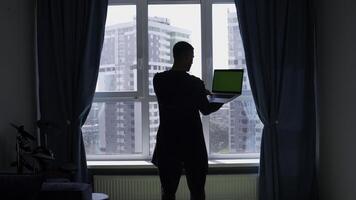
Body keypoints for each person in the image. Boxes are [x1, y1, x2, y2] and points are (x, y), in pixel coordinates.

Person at [152, 41, 223, 200]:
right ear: (184, 57)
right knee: (197, 191)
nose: (192, 61)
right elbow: (205, 109)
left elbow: (177, 94)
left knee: (168, 192)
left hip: (167, 143)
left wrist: (198, 92)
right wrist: (222, 99)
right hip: (192, 144)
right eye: (191, 57)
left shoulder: (158, 80)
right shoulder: (195, 83)